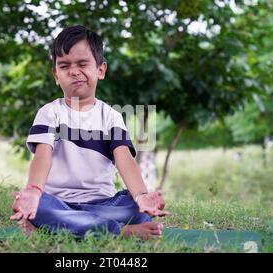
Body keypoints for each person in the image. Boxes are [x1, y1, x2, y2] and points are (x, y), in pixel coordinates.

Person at [10, 25, 169, 240]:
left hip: (103, 205)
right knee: (41, 206)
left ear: (100, 70)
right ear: (56, 75)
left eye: (82, 64)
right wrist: (34, 191)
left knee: (134, 207)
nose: (74, 71)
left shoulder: (112, 116)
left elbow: (124, 160)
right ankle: (119, 232)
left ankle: (64, 226)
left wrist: (141, 196)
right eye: (64, 66)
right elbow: (42, 157)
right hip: (59, 202)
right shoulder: (49, 112)